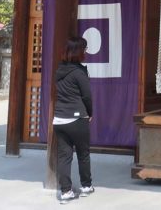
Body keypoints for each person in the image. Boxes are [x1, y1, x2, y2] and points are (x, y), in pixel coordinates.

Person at [53, 37, 94, 204]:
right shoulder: (79, 72)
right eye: (84, 49)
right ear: (79, 51)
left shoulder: (59, 70)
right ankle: (86, 186)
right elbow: (87, 96)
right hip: (77, 118)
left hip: (59, 119)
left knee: (64, 156)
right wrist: (90, 113)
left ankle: (65, 192)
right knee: (83, 153)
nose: (86, 52)